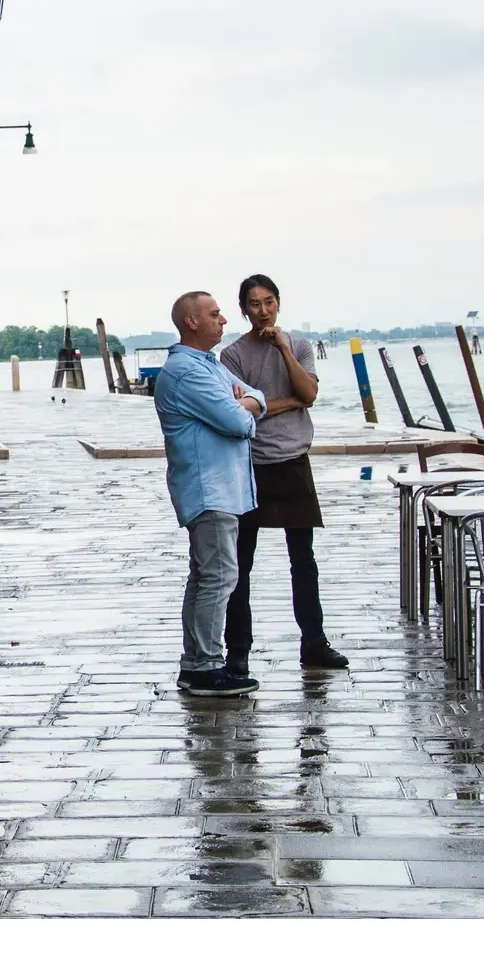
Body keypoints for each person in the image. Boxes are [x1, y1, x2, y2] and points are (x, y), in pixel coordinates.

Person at [218, 274, 348, 672]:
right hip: (251, 464)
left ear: (279, 303)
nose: (263, 310)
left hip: (293, 460)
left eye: (269, 302)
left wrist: (283, 350)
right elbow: (240, 409)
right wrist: (287, 401)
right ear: (243, 309)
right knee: (240, 563)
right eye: (254, 304)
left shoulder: (300, 345)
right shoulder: (233, 355)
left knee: (303, 559)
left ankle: (314, 642)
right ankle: (237, 652)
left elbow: (308, 394)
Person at [153, 289, 266, 696]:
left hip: (222, 489)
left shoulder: (210, 365)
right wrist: (245, 408)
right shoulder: (188, 372)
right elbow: (235, 422)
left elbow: (259, 397)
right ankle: (204, 665)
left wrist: (248, 402)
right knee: (217, 576)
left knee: (206, 576)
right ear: (192, 322)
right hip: (209, 489)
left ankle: (198, 662)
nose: (224, 320)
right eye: (215, 314)